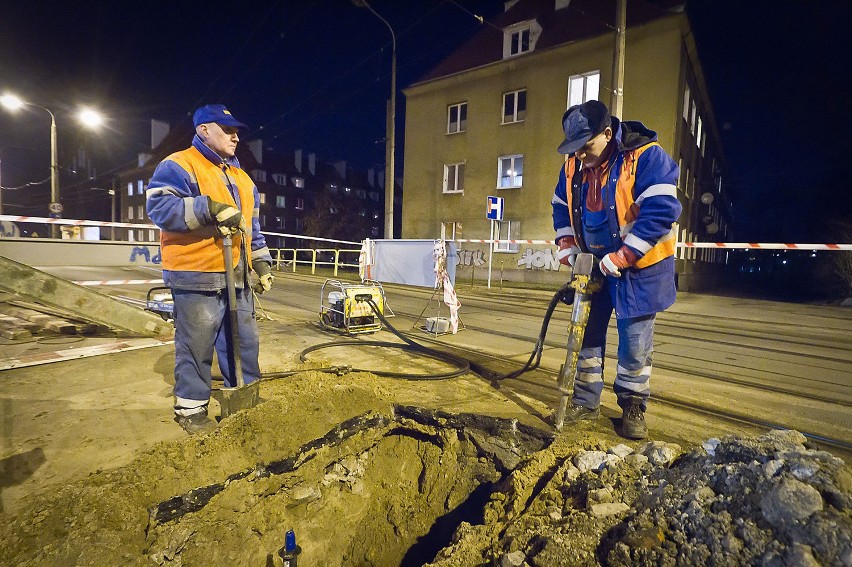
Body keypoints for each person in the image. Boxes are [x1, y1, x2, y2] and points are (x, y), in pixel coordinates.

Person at [551, 100, 681, 439]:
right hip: (592, 267)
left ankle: (633, 405)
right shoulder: (572, 165)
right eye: (575, 149)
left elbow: (661, 211)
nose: (579, 156)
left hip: (638, 270)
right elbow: (561, 206)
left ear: (607, 133)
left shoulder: (646, 157)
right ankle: (585, 400)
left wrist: (622, 256)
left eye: (586, 146)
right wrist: (567, 245)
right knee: (587, 337)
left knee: (634, 344)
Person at [146, 104, 275, 434]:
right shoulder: (180, 164)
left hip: (237, 275)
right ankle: (191, 410)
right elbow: (160, 206)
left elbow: (251, 226)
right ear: (203, 130)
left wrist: (261, 264)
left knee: (243, 342)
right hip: (197, 274)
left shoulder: (243, 179)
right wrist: (209, 208)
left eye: (236, 131)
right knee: (196, 344)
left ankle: (243, 401)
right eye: (226, 129)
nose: (235, 136)